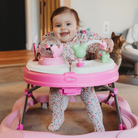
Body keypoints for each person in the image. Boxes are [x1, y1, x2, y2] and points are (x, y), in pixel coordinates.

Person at [38, 6, 114, 132]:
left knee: (91, 99)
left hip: (82, 79)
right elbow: (42, 50)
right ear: (52, 29)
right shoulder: (51, 40)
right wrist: (41, 53)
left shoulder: (82, 38)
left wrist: (103, 45)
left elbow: (96, 44)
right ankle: (57, 119)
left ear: (76, 27)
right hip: (58, 79)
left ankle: (98, 124)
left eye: (68, 24)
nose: (63, 28)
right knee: (55, 99)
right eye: (57, 25)